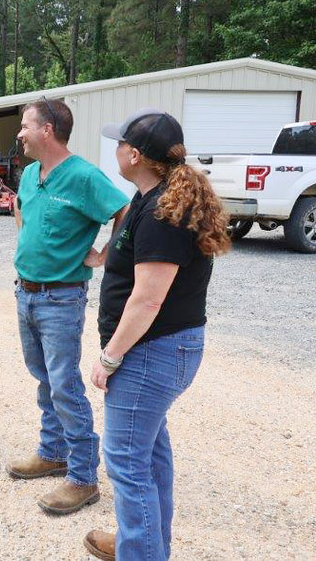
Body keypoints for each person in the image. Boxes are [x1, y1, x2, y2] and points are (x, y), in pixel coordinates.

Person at [83, 108, 230, 560]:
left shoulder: (163, 213)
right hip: (163, 351)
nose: (116, 150)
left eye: (120, 144)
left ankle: (141, 551)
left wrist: (109, 357)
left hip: (150, 354)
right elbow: (126, 263)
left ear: (135, 154)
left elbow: (148, 300)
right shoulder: (156, 198)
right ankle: (144, 543)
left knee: (126, 463)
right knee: (148, 453)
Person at [6, 98, 130, 515]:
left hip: (61, 296)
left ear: (48, 130)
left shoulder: (83, 176)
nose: (20, 133)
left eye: (26, 126)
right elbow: (22, 211)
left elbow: (125, 210)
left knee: (64, 384)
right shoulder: (28, 173)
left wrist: (107, 254)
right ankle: (52, 450)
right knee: (43, 377)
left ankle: (82, 477)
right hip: (26, 292)